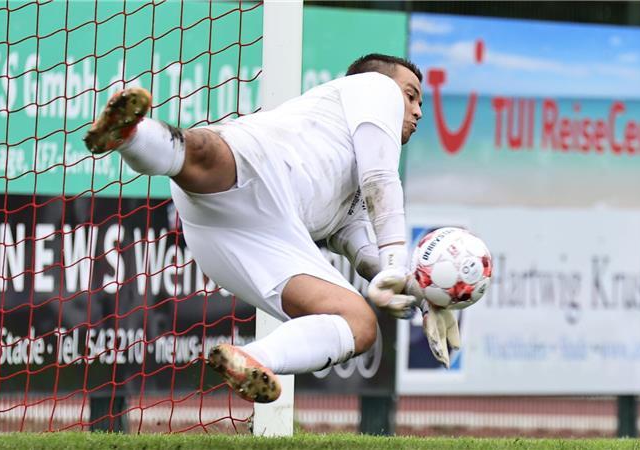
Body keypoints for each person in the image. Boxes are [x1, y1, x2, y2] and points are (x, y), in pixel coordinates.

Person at [84, 54, 461, 403]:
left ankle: (250, 359)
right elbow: (381, 179)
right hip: (264, 167)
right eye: (411, 96)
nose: (417, 110)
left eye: (421, 103)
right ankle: (131, 133)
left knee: (360, 325)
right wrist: (396, 257)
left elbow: (369, 257)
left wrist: (424, 294)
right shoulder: (374, 88)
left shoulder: (353, 195)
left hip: (254, 239)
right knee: (204, 152)